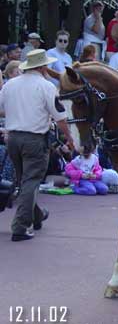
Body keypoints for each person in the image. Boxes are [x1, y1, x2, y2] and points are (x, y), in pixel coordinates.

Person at [0, 49, 75, 241]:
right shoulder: (46, 86)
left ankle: (37, 215)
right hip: (34, 138)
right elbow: (60, 117)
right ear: (42, 66)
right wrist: (69, 138)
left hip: (13, 137)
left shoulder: (10, 85)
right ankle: (20, 226)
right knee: (31, 181)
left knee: (24, 180)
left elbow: (1, 109)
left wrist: (17, 112)